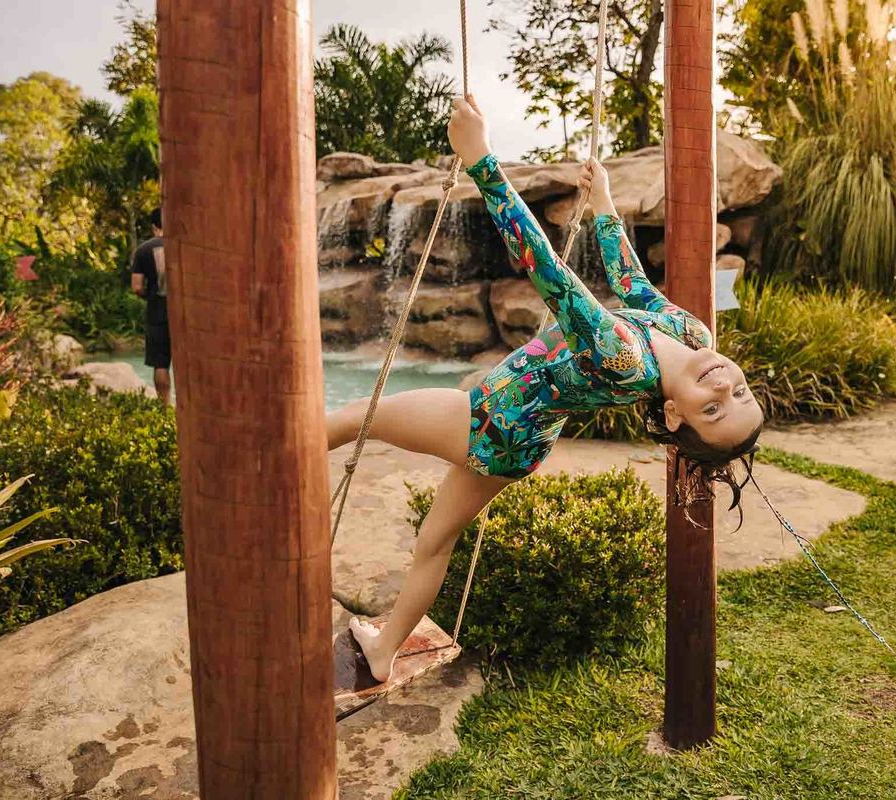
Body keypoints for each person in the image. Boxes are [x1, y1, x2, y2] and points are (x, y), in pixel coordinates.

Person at [326, 95, 764, 684]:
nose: (724, 386)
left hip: (488, 421)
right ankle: (383, 653)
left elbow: (549, 270)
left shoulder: (622, 358)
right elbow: (631, 280)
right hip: (519, 440)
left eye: (712, 409)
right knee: (435, 540)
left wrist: (481, 159)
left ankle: (260, 474)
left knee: (358, 413)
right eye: (739, 395)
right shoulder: (691, 333)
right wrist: (604, 201)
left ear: (674, 415)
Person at [130, 207, 171, 405]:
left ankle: (165, 407)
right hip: (187, 313)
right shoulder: (186, 246)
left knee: (160, 363)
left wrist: (150, 296)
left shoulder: (143, 250)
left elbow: (136, 287)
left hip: (157, 312)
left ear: (154, 227)